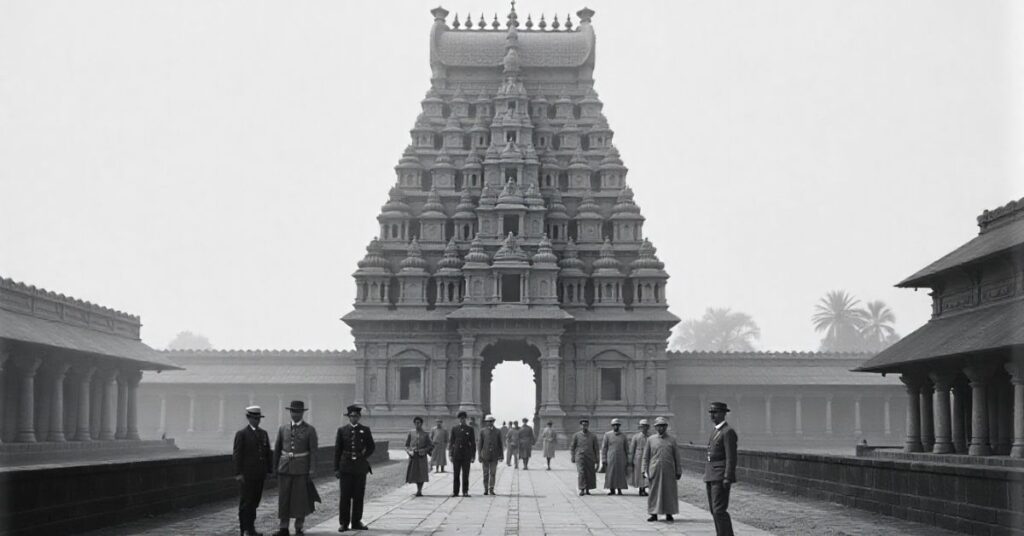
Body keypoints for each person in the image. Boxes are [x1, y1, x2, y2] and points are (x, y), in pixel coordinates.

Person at [273, 401, 318, 536]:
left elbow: (313, 451)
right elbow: (277, 449)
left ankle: (299, 527)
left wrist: (312, 469)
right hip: (284, 468)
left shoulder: (310, 430)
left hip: (301, 469)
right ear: (290, 412)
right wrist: (275, 468)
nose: (295, 414)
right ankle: (283, 528)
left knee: (300, 499)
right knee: (284, 498)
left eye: (298, 412)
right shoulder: (282, 428)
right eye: (293, 411)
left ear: (302, 413)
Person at [334, 404, 375, 533]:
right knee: (345, 496)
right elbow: (337, 450)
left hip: (360, 468)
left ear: (359, 417)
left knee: (358, 496)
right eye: (352, 416)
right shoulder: (342, 430)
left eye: (356, 416)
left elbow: (371, 447)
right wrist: (336, 468)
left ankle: (356, 522)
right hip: (345, 467)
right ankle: (344, 523)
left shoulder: (365, 430)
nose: (354, 418)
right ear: (349, 417)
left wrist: (363, 456)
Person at [233, 405, 272, 536]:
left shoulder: (263, 433)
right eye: (254, 418)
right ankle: (244, 529)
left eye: (258, 418)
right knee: (246, 502)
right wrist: (238, 473)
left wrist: (269, 470)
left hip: (259, 474)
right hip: (247, 474)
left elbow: (267, 453)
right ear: (248, 418)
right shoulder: (242, 434)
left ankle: (251, 527)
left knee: (255, 501)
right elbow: (237, 454)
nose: (256, 420)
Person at [704, 402, 738, 536]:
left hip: (720, 476)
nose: (712, 415)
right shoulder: (715, 431)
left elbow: (731, 457)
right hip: (711, 475)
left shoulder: (728, 432)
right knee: (714, 510)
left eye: (716, 412)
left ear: (724, 414)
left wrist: (728, 477)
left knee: (719, 510)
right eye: (711, 412)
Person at [642, 416, 681, 522]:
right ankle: (653, 514)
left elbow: (677, 457)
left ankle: (669, 513)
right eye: (659, 426)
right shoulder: (651, 440)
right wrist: (643, 470)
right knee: (654, 492)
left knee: (669, 492)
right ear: (655, 427)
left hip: (669, 470)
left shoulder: (672, 440)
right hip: (654, 470)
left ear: (666, 427)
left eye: (663, 426)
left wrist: (678, 470)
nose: (661, 428)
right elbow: (646, 456)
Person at [448, 411, 476, 497]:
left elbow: (473, 443)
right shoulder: (454, 429)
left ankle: (465, 491)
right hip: (456, 454)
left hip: (466, 454)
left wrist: (473, 455)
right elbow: (451, 442)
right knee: (456, 474)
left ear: (465, 419)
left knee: (465, 474)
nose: (462, 420)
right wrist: (450, 454)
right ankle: (455, 491)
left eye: (463, 418)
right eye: (460, 418)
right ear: (459, 419)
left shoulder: (470, 429)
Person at [569, 418, 599, 496]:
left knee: (589, 473)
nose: (584, 426)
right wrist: (572, 456)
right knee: (581, 472)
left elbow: (596, 448)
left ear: (588, 426)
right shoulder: (576, 435)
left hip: (590, 457)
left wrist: (597, 460)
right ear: (580, 426)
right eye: (582, 425)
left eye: (585, 425)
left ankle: (588, 489)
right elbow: (572, 447)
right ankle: (582, 489)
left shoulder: (593, 436)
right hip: (580, 457)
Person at [405, 417, 433, 497]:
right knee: (414, 473)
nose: (417, 424)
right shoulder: (411, 433)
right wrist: (409, 451)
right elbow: (406, 445)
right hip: (413, 456)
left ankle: (419, 491)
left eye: (419, 423)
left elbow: (431, 445)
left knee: (422, 473)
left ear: (421, 424)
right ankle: (418, 490)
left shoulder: (425, 434)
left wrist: (424, 450)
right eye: (416, 423)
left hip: (422, 456)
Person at [600, 418, 629, 495]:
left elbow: (626, 448)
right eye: (614, 425)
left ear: (619, 426)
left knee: (620, 474)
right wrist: (604, 459)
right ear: (612, 426)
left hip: (621, 458)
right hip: (611, 457)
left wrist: (627, 459)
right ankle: (611, 489)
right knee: (611, 474)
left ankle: (619, 489)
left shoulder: (623, 436)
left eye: (617, 425)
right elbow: (604, 448)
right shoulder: (607, 435)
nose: (616, 426)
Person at [477, 414, 504, 495]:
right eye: (488, 421)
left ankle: (491, 488)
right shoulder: (482, 431)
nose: (489, 423)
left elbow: (500, 444)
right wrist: (479, 455)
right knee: (485, 473)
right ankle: (485, 489)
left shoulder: (498, 431)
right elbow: (480, 444)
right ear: (486, 422)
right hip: (485, 455)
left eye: (491, 421)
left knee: (493, 473)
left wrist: (501, 455)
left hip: (494, 455)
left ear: (493, 422)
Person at [628, 419, 651, 496]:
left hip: (648, 457)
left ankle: (644, 488)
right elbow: (632, 449)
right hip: (638, 457)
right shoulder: (636, 437)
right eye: (642, 426)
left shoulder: (650, 437)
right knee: (639, 474)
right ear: (640, 427)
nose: (644, 428)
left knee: (646, 472)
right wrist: (630, 460)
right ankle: (641, 489)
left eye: (645, 426)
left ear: (647, 427)